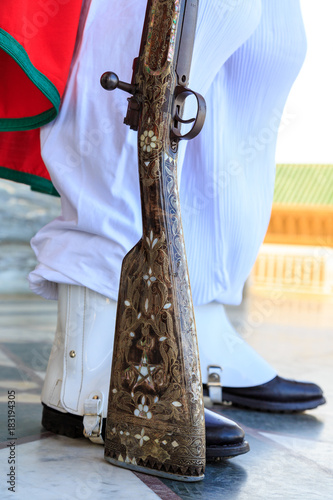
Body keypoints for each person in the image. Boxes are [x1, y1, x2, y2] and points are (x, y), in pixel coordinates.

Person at [0, 0, 325, 461]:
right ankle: (87, 361)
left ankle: (197, 326)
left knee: (266, 44)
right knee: (154, 19)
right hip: (94, 341)